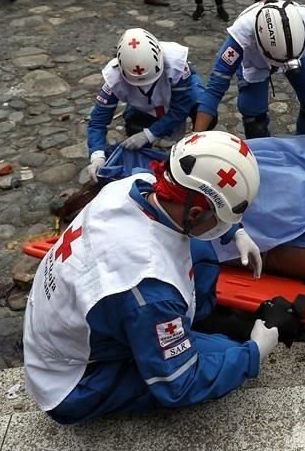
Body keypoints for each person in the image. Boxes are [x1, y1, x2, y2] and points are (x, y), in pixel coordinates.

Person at [25, 130, 275, 424]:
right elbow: (180, 384)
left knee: (201, 252)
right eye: (219, 220)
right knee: (225, 355)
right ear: (195, 213)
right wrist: (255, 352)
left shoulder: (133, 186)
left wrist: (235, 231)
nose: (221, 227)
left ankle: (178, 327)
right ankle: (176, 335)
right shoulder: (148, 287)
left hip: (66, 327)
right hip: (73, 381)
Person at [194, 0, 305, 139]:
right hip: (255, 62)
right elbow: (214, 89)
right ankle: (260, 155)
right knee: (254, 119)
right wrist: (195, 138)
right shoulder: (241, 39)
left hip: (296, 56)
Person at [86, 28, 205, 181]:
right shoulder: (113, 79)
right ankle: (145, 161)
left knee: (204, 110)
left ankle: (197, 149)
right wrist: (97, 156)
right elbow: (97, 121)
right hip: (144, 104)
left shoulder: (177, 65)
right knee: (134, 124)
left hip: (178, 93)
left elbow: (180, 109)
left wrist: (149, 134)